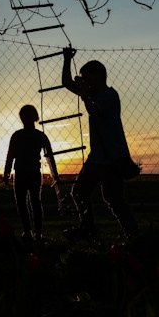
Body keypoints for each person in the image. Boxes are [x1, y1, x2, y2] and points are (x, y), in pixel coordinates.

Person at [61, 47, 139, 242]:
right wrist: (67, 60)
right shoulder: (93, 93)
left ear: (98, 77)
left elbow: (94, 112)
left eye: (87, 78)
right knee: (79, 191)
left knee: (114, 199)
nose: (85, 82)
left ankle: (133, 234)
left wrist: (85, 94)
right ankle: (88, 229)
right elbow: (66, 83)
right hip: (97, 158)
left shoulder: (108, 95)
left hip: (111, 158)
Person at [3, 104, 59, 244]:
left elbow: (10, 156)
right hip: (31, 172)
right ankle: (34, 233)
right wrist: (55, 174)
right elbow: (50, 156)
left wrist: (6, 172)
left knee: (25, 202)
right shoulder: (39, 135)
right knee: (33, 202)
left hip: (23, 172)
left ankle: (30, 232)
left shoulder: (18, 135)